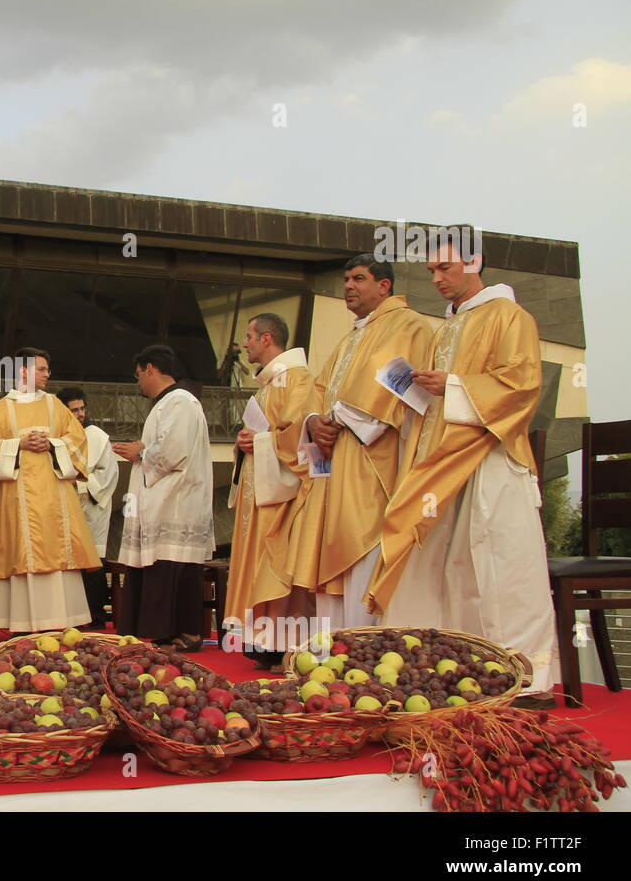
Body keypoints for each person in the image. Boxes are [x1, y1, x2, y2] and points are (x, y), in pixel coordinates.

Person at [369, 232, 557, 705]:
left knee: (501, 561)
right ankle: (461, 667)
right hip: (442, 459)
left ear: (474, 262)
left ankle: (527, 671)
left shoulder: (509, 316)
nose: (436, 279)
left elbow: (521, 385)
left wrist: (451, 386)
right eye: (431, 271)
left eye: (444, 268)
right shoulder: (446, 327)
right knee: (448, 564)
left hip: (488, 454)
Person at [266, 254, 433, 629]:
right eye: (346, 280)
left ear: (384, 286)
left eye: (359, 279)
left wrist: (339, 419)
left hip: (373, 460)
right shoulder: (351, 338)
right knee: (331, 558)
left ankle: (363, 649)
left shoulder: (409, 325)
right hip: (334, 459)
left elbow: (400, 388)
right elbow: (319, 392)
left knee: (363, 551)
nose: (348, 287)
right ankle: (334, 654)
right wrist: (313, 423)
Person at [0, 347, 99, 633]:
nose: (47, 374)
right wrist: (17, 444)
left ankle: (61, 621)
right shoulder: (1, 409)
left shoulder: (56, 405)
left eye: (47, 369)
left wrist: (53, 444)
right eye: (41, 369)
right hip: (17, 502)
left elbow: (78, 441)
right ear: (23, 371)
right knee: (21, 551)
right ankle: (22, 623)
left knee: (57, 552)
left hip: (55, 501)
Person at [222, 314, 316, 668]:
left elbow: (299, 438)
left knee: (276, 564)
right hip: (258, 495)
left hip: (280, 499)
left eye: (248, 336)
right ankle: (262, 640)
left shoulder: (297, 379)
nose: (243, 344)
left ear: (266, 338)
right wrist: (245, 442)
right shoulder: (268, 384)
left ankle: (284, 642)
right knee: (255, 562)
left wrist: (259, 442)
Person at [112, 344, 215, 648]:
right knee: (165, 569)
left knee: (174, 569)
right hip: (170, 500)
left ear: (151, 369)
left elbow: (174, 452)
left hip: (177, 503)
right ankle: (170, 632)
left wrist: (140, 451)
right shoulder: (169, 402)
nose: (139, 382)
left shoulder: (180, 402)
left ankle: (187, 633)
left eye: (139, 375)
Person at [56, 386, 119, 628]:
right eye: (74, 410)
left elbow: (108, 475)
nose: (80, 413)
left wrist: (80, 485)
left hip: (91, 510)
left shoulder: (97, 437)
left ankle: (95, 617)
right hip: (64, 509)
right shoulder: (58, 439)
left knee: (92, 563)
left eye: (82, 408)